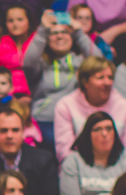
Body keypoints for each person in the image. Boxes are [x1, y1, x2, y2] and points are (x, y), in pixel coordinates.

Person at [24, 10, 100, 138]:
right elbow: (28, 63)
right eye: (54, 33)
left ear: (72, 37)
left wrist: (79, 33)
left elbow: (99, 64)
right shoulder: (41, 63)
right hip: (45, 120)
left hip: (77, 119)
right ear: (47, 39)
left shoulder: (81, 62)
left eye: (64, 32)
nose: (59, 36)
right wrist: (42, 30)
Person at [53, 56, 126, 161]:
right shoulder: (66, 105)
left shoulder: (125, 107)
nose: (107, 83)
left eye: (110, 77)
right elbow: (64, 151)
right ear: (85, 82)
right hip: (77, 167)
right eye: (100, 78)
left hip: (117, 166)